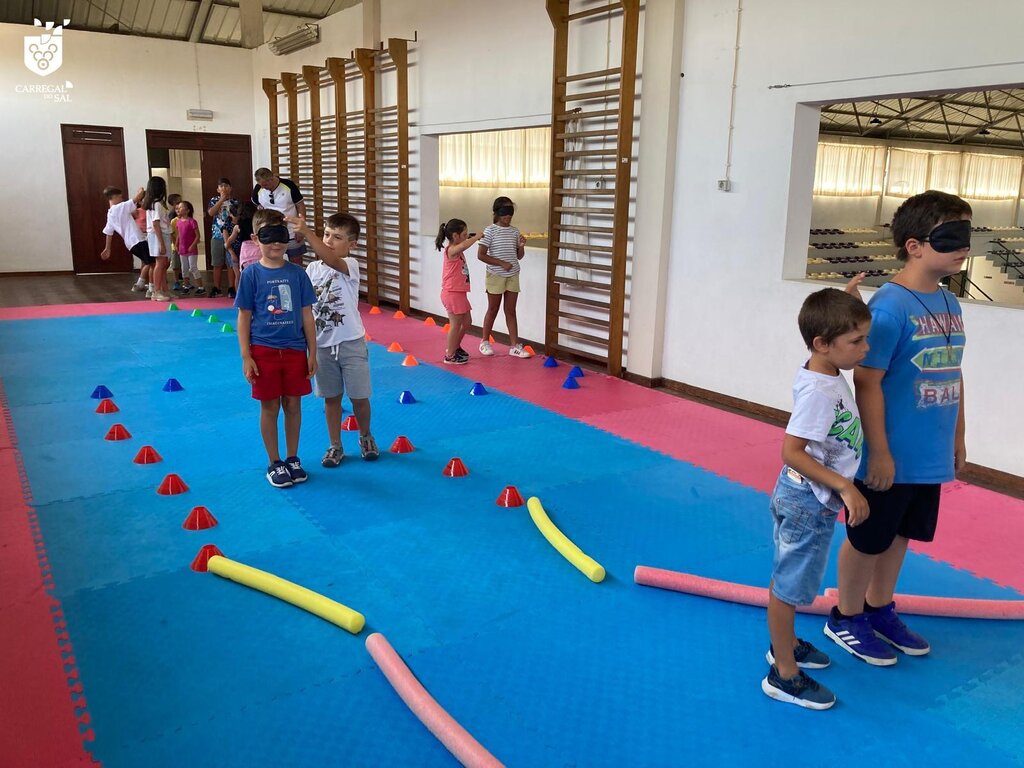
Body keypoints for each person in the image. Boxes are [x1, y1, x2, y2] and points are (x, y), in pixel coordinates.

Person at [826, 191, 970, 666]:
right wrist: (881, 452)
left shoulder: (949, 301)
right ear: (914, 246)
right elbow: (867, 381)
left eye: (968, 233)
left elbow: (953, 370)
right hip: (890, 453)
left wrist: (958, 437)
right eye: (952, 236)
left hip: (928, 453)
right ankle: (845, 617)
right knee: (868, 537)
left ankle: (878, 608)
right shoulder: (889, 306)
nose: (964, 246)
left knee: (901, 533)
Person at [761, 283, 871, 710]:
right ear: (823, 344)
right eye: (856, 341)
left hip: (802, 496)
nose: (865, 349)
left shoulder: (821, 365)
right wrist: (844, 485)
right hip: (808, 502)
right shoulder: (818, 393)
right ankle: (784, 673)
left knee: (788, 577)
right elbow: (791, 451)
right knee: (789, 588)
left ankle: (785, 643)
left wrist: (845, 300)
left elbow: (829, 329)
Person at [287, 212, 379, 467]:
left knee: (360, 397)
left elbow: (331, 259)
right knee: (331, 398)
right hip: (322, 346)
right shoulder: (312, 269)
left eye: (337, 237)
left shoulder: (350, 265)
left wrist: (308, 233)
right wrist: (308, 346)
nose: (328, 241)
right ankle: (335, 444)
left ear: (352, 244)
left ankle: (365, 435)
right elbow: (306, 308)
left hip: (351, 343)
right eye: (326, 234)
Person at [234, 209, 317, 488]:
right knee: (269, 406)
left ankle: (293, 458)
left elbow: (307, 315)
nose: (276, 243)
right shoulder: (251, 275)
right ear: (256, 238)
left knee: (293, 404)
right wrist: (246, 356)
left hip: (295, 350)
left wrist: (313, 352)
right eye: (268, 236)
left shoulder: (298, 274)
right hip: (264, 351)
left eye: (281, 236)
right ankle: (275, 462)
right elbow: (244, 316)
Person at [477, 196, 531, 358]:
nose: (508, 215)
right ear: (496, 212)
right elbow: (481, 255)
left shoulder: (515, 231)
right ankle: (484, 341)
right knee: (493, 309)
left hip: (513, 275)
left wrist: (521, 246)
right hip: (495, 275)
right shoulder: (490, 231)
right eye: (504, 211)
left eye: (510, 211)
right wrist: (501, 263)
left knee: (510, 310)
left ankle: (514, 346)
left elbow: (519, 256)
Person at [436, 218, 483, 365]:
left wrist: (470, 237)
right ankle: (450, 355)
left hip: (459, 293)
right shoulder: (451, 250)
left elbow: (463, 244)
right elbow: (464, 245)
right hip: (452, 293)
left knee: (467, 322)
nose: (466, 236)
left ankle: (455, 347)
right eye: (464, 234)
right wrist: (476, 237)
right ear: (455, 236)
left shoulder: (458, 249)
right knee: (455, 325)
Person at [100, 186, 153, 294]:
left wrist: (107, 248)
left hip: (130, 243)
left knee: (148, 262)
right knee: (152, 262)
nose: (122, 199)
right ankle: (151, 288)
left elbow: (108, 232)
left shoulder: (110, 213)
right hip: (137, 240)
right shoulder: (119, 207)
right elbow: (137, 198)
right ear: (114, 197)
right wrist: (141, 191)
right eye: (120, 197)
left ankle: (141, 284)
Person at [253, 168, 307, 265]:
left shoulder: (288, 185)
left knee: (296, 261)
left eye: (265, 185)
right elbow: (257, 205)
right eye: (261, 185)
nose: (263, 188)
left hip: (291, 231)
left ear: (271, 179)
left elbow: (300, 206)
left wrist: (300, 229)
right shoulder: (258, 189)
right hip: (269, 233)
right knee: (272, 261)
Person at [142, 176, 173, 302]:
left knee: (163, 264)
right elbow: (156, 224)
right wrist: (161, 243)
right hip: (158, 235)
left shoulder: (157, 204)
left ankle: (164, 290)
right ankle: (156, 291)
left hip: (162, 234)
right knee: (160, 264)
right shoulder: (156, 204)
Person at [207, 178, 239, 298]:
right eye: (221, 186)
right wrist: (221, 199)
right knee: (217, 263)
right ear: (218, 189)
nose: (224, 188)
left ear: (231, 188)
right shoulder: (214, 200)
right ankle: (217, 287)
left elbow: (238, 216)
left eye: (226, 186)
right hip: (217, 235)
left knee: (231, 263)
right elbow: (211, 213)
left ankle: (231, 287)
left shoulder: (235, 202)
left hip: (232, 235)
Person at [174, 201, 204, 295]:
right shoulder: (178, 222)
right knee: (184, 268)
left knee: (193, 267)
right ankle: (186, 286)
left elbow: (197, 236)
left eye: (181, 207)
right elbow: (179, 235)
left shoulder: (192, 221)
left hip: (191, 250)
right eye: (178, 207)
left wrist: (193, 245)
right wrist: (176, 244)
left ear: (187, 210)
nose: (179, 209)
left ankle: (201, 287)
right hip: (182, 249)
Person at [230, 202, 260, 271]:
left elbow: (230, 240)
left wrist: (227, 245)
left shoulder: (238, 226)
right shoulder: (258, 224)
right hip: (258, 250)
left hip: (246, 252)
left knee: (246, 273)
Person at [166, 193, 183, 291]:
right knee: (175, 263)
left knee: (183, 263)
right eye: (178, 201)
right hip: (176, 244)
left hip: (184, 244)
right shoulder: (172, 216)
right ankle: (176, 280)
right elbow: (172, 233)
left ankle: (182, 278)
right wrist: (175, 244)